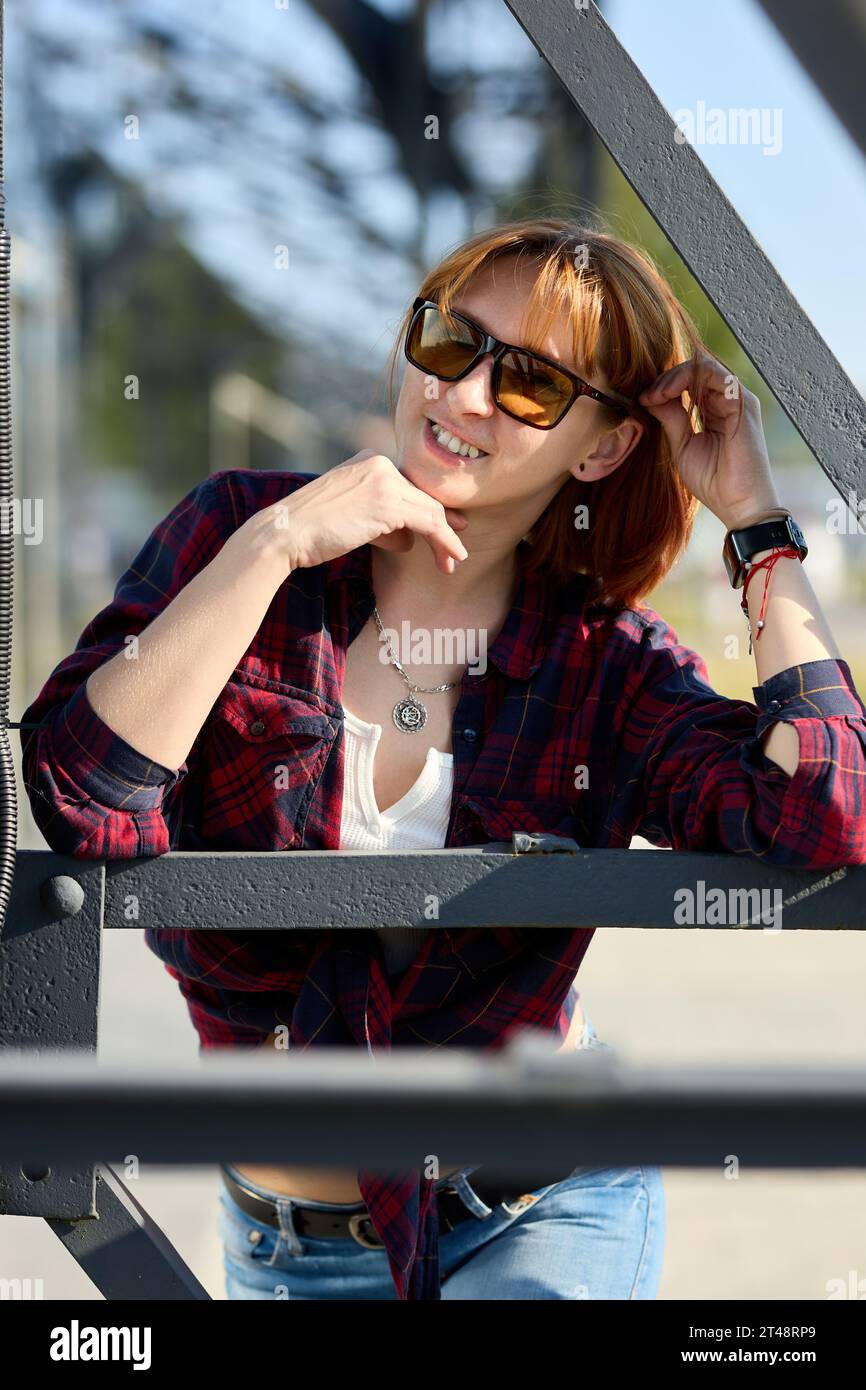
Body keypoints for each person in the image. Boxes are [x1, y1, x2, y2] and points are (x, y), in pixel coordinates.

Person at [20, 217, 866, 1302]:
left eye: (526, 385)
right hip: (287, 1248)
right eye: (447, 341)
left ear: (599, 447)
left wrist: (754, 524)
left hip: (539, 1205)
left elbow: (825, 808)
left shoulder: (603, 661)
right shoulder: (240, 532)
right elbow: (84, 799)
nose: (460, 395)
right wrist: (275, 543)